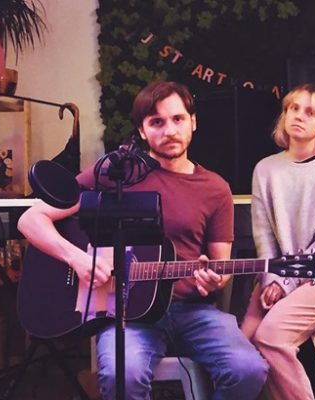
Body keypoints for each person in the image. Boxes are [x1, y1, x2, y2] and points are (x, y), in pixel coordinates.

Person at [17, 81, 268, 400]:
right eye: (157, 122)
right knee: (122, 375)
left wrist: (215, 279)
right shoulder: (115, 173)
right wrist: (77, 259)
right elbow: (31, 220)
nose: (170, 130)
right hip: (126, 314)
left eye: (178, 119)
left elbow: (222, 266)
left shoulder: (215, 188)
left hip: (193, 312)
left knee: (248, 370)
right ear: (142, 130)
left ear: (193, 121)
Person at [240, 83, 315, 400]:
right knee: (241, 349)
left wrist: (287, 283)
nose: (299, 116)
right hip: (281, 273)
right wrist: (272, 279)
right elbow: (264, 236)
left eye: (310, 112)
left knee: (271, 337)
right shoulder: (265, 169)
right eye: (293, 108)